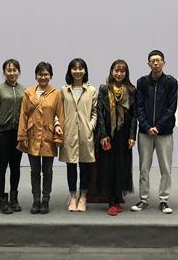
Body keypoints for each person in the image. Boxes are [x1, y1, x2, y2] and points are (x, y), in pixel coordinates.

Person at [132, 50, 178, 214]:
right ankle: (143, 199)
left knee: (165, 168)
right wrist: (146, 127)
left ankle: (164, 200)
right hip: (145, 133)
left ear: (164, 63)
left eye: (158, 60)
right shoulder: (142, 82)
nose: (156, 63)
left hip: (164, 132)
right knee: (144, 168)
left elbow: (171, 108)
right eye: (152, 60)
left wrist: (158, 127)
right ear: (148, 64)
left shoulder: (171, 82)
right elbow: (139, 106)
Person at [17, 62, 65, 214]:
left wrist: (58, 136)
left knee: (48, 171)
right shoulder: (28, 93)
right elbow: (23, 115)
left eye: (46, 74)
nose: (43, 77)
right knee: (34, 171)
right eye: (40, 74)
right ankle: (36, 200)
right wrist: (22, 135)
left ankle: (45, 200)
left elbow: (60, 115)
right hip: (32, 136)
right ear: (36, 76)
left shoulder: (56, 93)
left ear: (50, 76)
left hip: (48, 136)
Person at [97, 60, 137, 216]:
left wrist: (132, 135)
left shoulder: (131, 90)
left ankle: (118, 198)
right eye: (116, 71)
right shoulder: (104, 89)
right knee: (108, 167)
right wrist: (103, 134)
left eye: (122, 71)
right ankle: (111, 202)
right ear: (111, 71)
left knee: (121, 166)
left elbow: (134, 116)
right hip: (108, 134)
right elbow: (100, 113)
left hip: (124, 134)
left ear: (126, 73)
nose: (119, 74)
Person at [0, 59, 26, 214]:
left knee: (16, 166)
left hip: (18, 133)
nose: (12, 73)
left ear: (19, 72)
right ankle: (2, 200)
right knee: (2, 166)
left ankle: (14, 198)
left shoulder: (24, 90)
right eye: (9, 70)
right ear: (4, 72)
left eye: (15, 70)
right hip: (2, 133)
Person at [59, 58, 97, 212]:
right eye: (74, 68)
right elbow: (58, 112)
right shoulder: (63, 90)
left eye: (81, 68)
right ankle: (73, 196)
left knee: (85, 166)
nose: (77, 71)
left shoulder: (91, 90)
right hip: (69, 133)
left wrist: (90, 126)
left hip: (85, 133)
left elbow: (95, 112)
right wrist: (59, 125)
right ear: (70, 71)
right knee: (71, 166)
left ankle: (83, 196)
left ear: (85, 71)